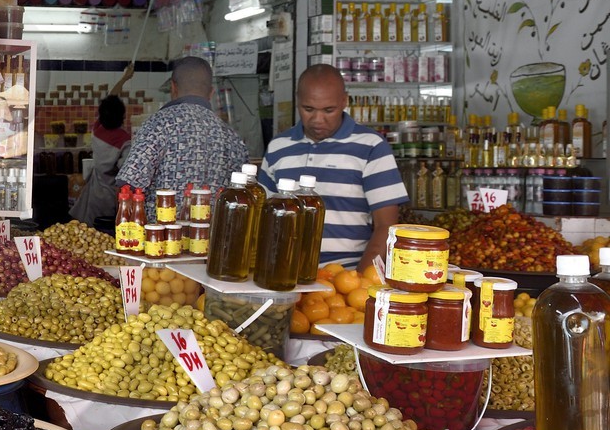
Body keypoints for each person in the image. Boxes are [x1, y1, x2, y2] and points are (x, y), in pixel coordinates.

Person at [258, 63, 408, 271]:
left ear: (344, 101)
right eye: (308, 109)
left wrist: (360, 282)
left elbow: (387, 226)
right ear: (297, 100)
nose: (318, 120)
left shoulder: (371, 147)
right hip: (285, 273)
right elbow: (262, 217)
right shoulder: (278, 147)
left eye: (329, 110)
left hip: (345, 274)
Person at [116, 56, 247, 219]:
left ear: (173, 88)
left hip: (160, 240)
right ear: (211, 93)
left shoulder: (160, 123)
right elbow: (242, 196)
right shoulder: (232, 136)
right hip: (212, 240)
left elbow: (128, 186)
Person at [69, 94, 131, 230]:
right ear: (122, 116)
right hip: (111, 194)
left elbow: (107, 104)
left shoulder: (96, 131)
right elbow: (126, 169)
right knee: (108, 231)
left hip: (94, 191)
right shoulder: (124, 140)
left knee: (91, 231)